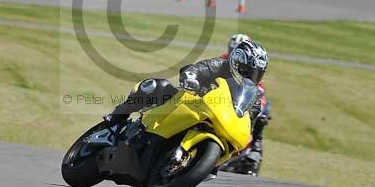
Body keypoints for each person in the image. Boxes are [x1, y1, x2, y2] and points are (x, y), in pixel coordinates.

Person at [105, 38, 269, 137]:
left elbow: (251, 116)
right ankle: (116, 119)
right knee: (157, 86)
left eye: (257, 74)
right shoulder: (220, 66)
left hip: (216, 119)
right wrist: (191, 78)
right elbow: (196, 69)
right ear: (238, 63)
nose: (252, 77)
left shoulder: (253, 94)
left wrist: (248, 122)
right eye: (250, 71)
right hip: (190, 102)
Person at [220, 33, 272, 176]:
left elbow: (259, 90)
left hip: (240, 102)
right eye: (233, 50)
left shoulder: (253, 66)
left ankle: (253, 154)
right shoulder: (222, 60)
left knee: (261, 119)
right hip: (219, 98)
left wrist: (259, 108)